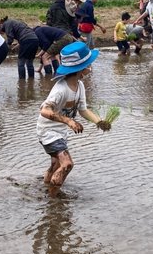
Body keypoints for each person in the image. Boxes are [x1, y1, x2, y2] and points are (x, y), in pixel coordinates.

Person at [37, 41, 109, 197]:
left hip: (59, 132)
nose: (91, 67)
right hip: (48, 132)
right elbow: (44, 110)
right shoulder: (61, 89)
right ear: (81, 69)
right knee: (67, 164)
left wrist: (99, 121)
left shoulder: (80, 85)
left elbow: (83, 110)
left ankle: (45, 189)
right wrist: (69, 121)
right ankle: (53, 197)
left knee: (56, 164)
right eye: (89, 64)